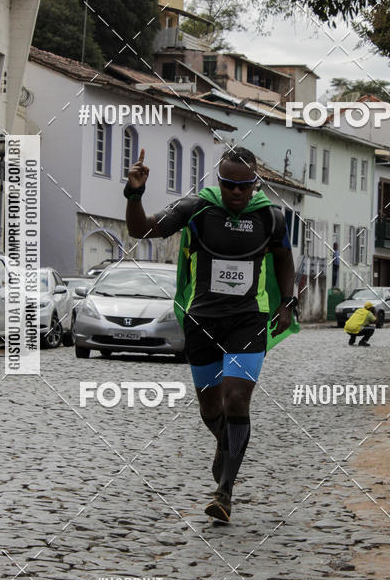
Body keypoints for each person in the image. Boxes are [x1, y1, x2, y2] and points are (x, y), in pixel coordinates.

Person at [125, 145, 298, 522]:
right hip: (202, 319)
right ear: (218, 181)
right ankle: (225, 441)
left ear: (256, 183)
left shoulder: (271, 217)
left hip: (248, 320)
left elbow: (284, 259)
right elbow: (141, 230)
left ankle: (225, 492)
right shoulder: (195, 209)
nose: (236, 192)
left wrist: (287, 303)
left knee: (237, 400)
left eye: (244, 186)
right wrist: (134, 193)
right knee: (210, 408)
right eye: (228, 184)